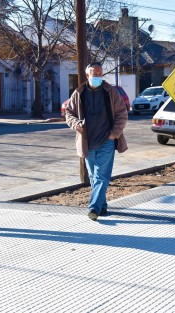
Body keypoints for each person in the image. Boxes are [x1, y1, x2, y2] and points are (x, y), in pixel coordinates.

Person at [66, 62, 128, 221]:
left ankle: (93, 207)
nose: (98, 77)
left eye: (100, 74)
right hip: (87, 142)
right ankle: (103, 206)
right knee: (94, 176)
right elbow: (69, 113)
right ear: (88, 76)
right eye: (95, 75)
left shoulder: (111, 92)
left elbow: (122, 113)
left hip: (107, 141)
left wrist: (114, 134)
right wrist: (76, 124)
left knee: (101, 176)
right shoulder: (79, 93)